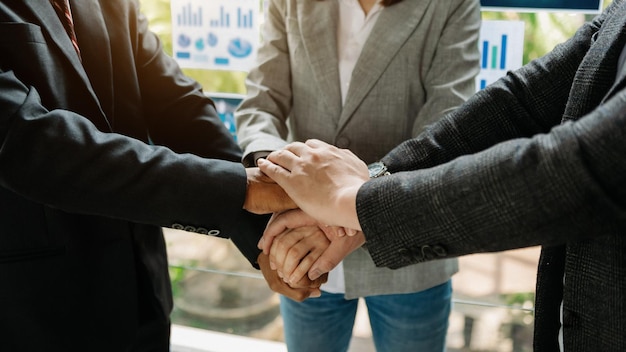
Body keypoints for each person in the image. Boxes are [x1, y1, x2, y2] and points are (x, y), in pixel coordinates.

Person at [257, 0, 626, 350]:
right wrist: (357, 186)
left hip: (402, 257)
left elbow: (580, 166)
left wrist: (355, 202)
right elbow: (521, 101)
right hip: (304, 243)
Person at [0, 1, 323, 351]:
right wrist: (243, 189)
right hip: (35, 307)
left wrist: (265, 235)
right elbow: (30, 143)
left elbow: (175, 104)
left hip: (144, 292)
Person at [235, 0, 481, 350]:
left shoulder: (451, 5)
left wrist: (346, 204)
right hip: (304, 252)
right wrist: (283, 181)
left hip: (409, 256)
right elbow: (261, 104)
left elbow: (446, 124)